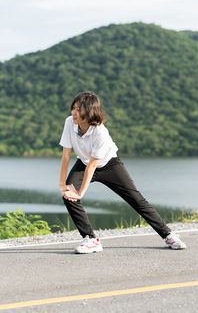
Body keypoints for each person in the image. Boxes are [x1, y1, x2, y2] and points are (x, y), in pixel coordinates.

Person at [59, 91, 186, 254]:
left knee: (136, 199)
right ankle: (90, 239)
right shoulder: (70, 123)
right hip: (83, 163)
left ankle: (168, 235)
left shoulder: (100, 132)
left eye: (78, 109)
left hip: (109, 165)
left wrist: (80, 193)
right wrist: (62, 184)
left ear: (89, 112)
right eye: (73, 108)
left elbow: (93, 165)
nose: (74, 112)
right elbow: (65, 156)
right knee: (68, 195)